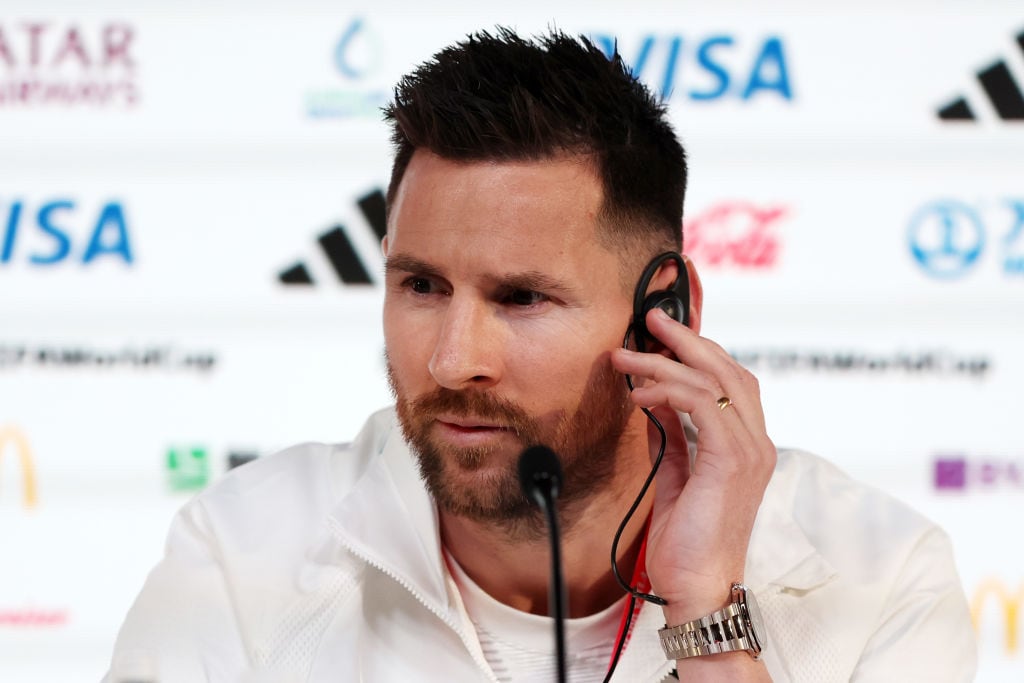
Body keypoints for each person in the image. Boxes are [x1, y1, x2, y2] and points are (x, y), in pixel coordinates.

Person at [105, 28, 976, 682]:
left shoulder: (880, 574)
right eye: (421, 286)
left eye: (521, 298)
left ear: (663, 313)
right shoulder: (240, 553)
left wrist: (708, 610)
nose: (453, 361)